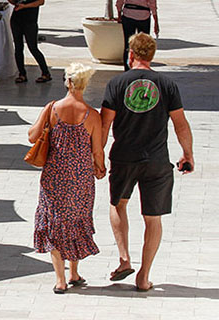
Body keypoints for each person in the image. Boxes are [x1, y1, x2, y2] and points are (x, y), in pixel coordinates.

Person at [101, 33, 194, 291]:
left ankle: (124, 258)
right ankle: (144, 276)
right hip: (156, 159)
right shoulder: (167, 84)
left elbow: (105, 123)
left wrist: (97, 154)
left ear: (131, 54)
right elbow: (180, 124)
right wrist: (188, 154)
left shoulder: (117, 83)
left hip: (124, 157)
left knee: (118, 204)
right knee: (153, 218)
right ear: (151, 56)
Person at [29, 63, 105, 294]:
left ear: (68, 82)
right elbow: (97, 150)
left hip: (54, 176)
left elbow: (32, 136)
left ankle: (60, 279)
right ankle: (74, 272)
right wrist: (100, 168)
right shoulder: (92, 115)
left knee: (54, 223)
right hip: (81, 178)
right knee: (75, 221)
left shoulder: (52, 108)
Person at [8, 0, 52, 83]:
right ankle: (22, 74)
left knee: (33, 48)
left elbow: (41, 2)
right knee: (18, 48)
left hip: (30, 21)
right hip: (16, 19)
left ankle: (46, 73)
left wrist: (25, 6)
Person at [116, 0, 159, 71]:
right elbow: (152, 4)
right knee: (145, 44)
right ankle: (143, 68)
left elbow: (120, 2)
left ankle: (127, 69)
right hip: (143, 16)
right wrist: (156, 21)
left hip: (128, 14)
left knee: (128, 45)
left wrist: (119, 14)